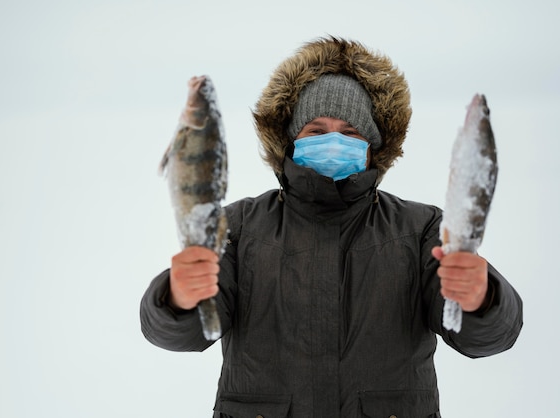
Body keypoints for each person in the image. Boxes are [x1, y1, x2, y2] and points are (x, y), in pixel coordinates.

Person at [140, 36, 523, 418]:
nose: (334, 142)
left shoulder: (422, 228)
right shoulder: (237, 227)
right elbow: (184, 333)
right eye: (316, 131)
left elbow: (488, 338)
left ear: (374, 146)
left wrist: (482, 299)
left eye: (351, 132)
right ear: (290, 142)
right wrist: (177, 298)